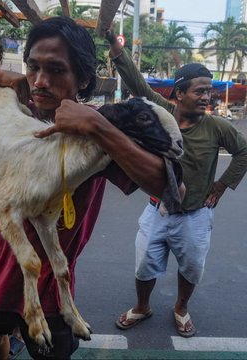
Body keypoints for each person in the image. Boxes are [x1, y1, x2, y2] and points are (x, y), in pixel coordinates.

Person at [0, 17, 182, 360]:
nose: (40, 81)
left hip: (52, 294)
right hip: (0, 275)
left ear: (82, 78)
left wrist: (98, 127)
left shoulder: (94, 136)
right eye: (33, 67)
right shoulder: (15, 110)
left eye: (56, 70)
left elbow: (173, 190)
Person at [106, 30, 247, 338]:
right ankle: (142, 306)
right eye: (200, 91)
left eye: (209, 91)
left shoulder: (217, 126)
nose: (207, 97)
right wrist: (117, 51)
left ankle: (181, 308)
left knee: (191, 268)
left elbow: (243, 151)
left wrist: (221, 186)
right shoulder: (163, 112)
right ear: (180, 94)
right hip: (157, 210)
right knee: (144, 266)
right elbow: (138, 84)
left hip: (195, 216)